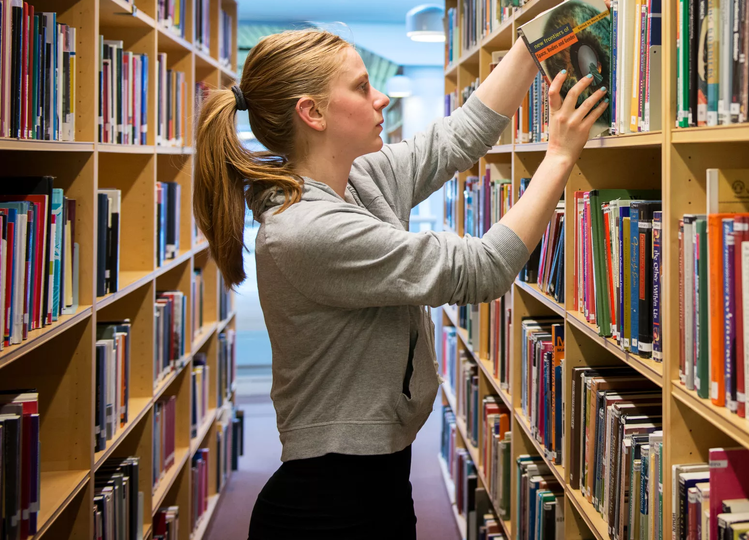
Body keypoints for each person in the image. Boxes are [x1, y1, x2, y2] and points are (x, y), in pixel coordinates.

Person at [192, 28, 607, 539]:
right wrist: (560, 156)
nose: (381, 97)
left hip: (379, 480)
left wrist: (534, 42)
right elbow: (481, 268)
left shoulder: (358, 179)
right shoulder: (305, 230)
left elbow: (456, 137)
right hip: (327, 505)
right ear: (313, 113)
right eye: (363, 87)